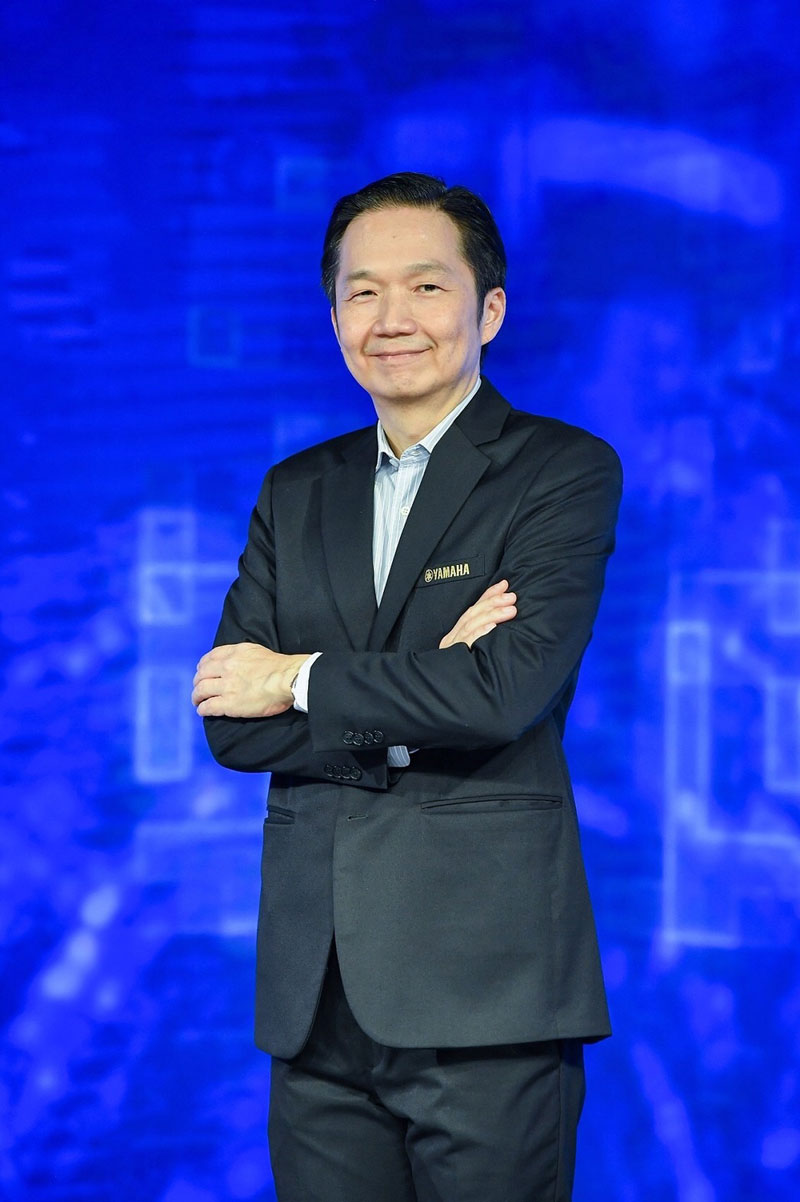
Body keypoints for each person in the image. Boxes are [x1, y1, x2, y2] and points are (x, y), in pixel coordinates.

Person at [192, 171, 622, 1202]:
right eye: (361, 291)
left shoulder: (559, 470)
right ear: (334, 315)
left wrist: (298, 677)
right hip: (315, 999)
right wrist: (425, 677)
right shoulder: (295, 489)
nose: (390, 318)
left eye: (426, 287)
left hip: (485, 992)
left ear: (489, 309)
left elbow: (499, 696)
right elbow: (232, 727)